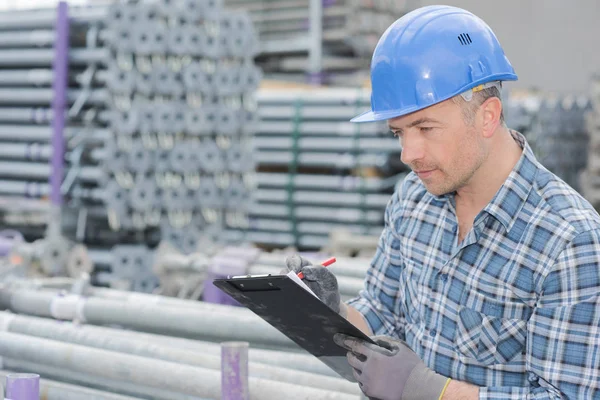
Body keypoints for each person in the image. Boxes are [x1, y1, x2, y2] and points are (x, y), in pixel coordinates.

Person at [284, 5, 600, 400]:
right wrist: (334, 313)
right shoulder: (414, 200)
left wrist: (429, 390)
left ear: (487, 116)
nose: (408, 153)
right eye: (398, 132)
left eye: (425, 128)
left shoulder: (569, 242)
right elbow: (384, 313)